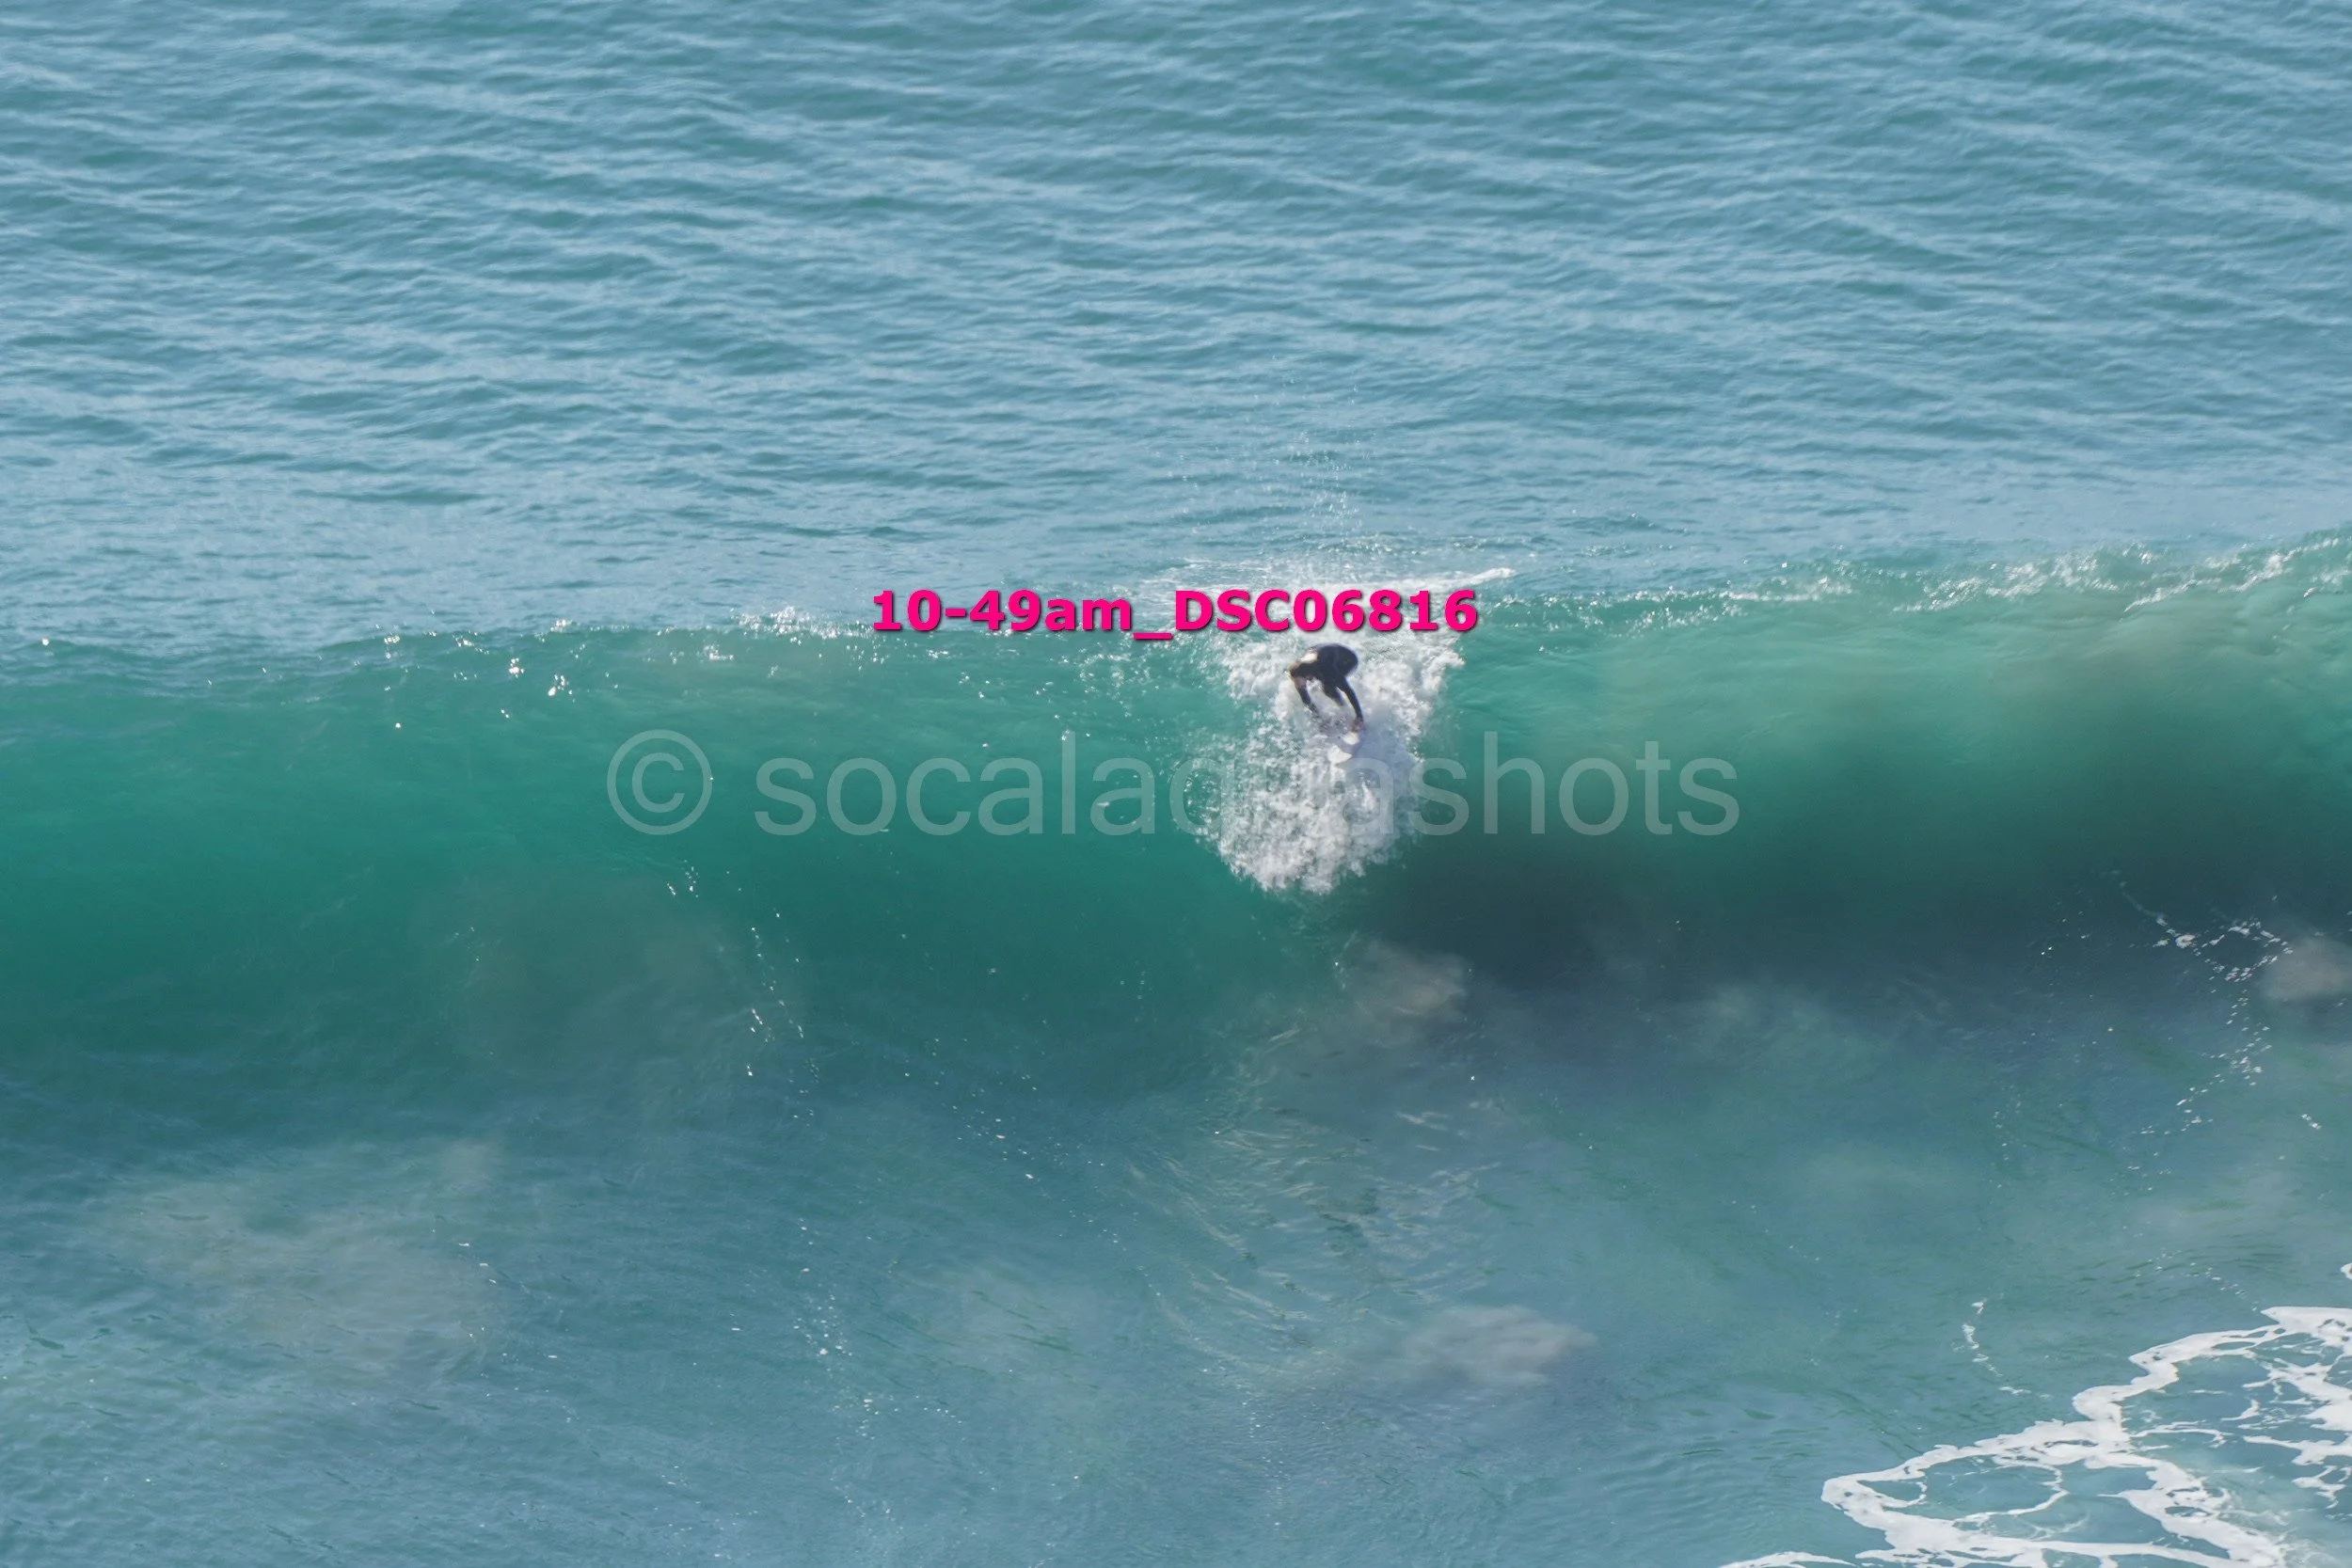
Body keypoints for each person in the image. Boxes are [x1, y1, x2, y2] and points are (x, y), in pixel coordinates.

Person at [1289, 643, 1363, 730]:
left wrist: (1359, 716)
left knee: (1327, 687)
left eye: (1297, 681)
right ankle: (1340, 712)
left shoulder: (1325, 668)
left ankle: (1346, 712)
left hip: (1348, 660)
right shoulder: (1299, 671)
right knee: (1316, 687)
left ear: (1304, 674)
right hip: (1321, 653)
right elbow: (1306, 700)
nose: (1297, 685)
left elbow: (1347, 690)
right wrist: (1319, 722)